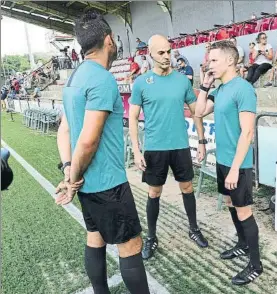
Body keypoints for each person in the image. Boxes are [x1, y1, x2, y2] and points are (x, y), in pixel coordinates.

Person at [55, 10, 150, 293]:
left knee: (95, 237)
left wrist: (67, 169)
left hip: (88, 185)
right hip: (108, 183)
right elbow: (87, 141)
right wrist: (72, 180)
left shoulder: (75, 77)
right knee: (130, 244)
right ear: (109, 40)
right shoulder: (102, 79)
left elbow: (65, 130)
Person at [129, 35, 208, 260]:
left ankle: (193, 229)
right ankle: (151, 237)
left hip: (180, 146)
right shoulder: (142, 82)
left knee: (187, 189)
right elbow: (133, 118)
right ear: (150, 54)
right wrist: (136, 150)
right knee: (154, 192)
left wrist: (201, 142)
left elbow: (196, 112)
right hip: (155, 148)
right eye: (161, 52)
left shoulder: (182, 81)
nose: (166, 56)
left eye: (169, 51)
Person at [195, 40, 263, 285]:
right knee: (229, 203)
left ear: (230, 61)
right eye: (208, 60)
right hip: (223, 160)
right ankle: (242, 244)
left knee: (244, 211)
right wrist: (205, 85)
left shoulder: (242, 89)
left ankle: (256, 265)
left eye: (213, 60)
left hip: (239, 164)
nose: (208, 64)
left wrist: (235, 169)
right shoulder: (220, 89)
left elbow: (247, 133)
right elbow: (199, 111)